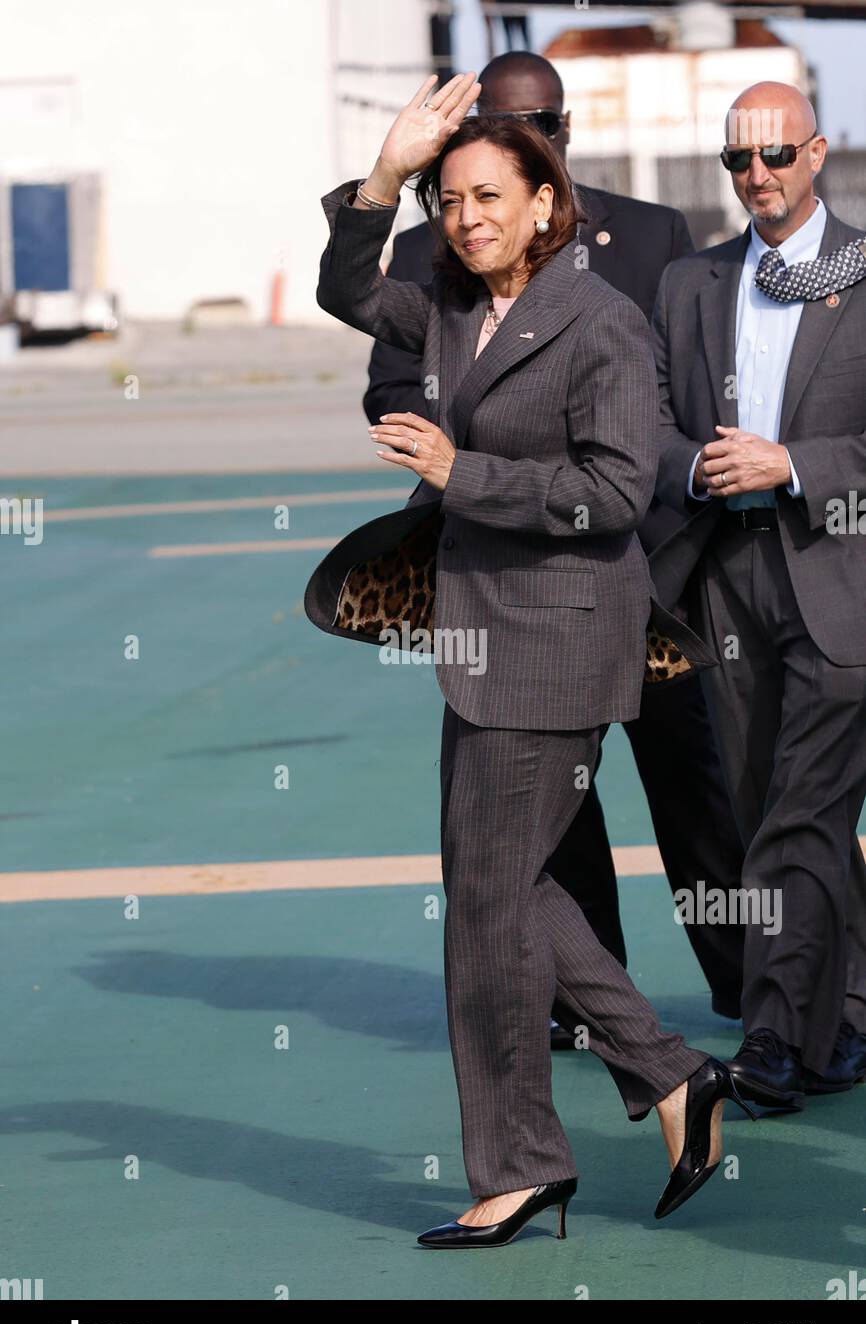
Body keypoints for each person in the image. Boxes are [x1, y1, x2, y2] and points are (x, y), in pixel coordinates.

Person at [308, 71, 756, 1249]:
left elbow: (612, 493)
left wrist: (465, 475)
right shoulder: (454, 309)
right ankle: (668, 1076)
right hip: (481, 639)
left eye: (485, 196)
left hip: (560, 639)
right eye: (448, 200)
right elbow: (346, 285)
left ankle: (517, 1165)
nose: (464, 219)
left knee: (484, 911)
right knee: (503, 888)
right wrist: (386, 174)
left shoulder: (600, 322)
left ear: (546, 202)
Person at [364, 49, 746, 1031]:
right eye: (508, 124)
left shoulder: (652, 235)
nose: (535, 139)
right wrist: (461, 451)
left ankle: (750, 987)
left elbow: (688, 396)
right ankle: (585, 1005)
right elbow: (392, 384)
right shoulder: (432, 253)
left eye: (549, 127)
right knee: (549, 819)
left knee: (695, 788)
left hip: (648, 564)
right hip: (501, 581)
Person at [651, 81, 866, 1110]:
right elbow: (649, 431)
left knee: (796, 816)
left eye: (775, 156)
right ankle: (854, 1011)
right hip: (724, 584)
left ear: (816, 153)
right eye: (737, 160)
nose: (756, 177)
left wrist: (794, 464)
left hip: (840, 573)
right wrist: (696, 467)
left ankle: (779, 1036)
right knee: (766, 813)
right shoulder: (688, 283)